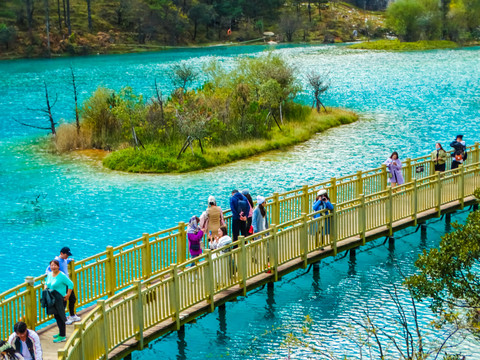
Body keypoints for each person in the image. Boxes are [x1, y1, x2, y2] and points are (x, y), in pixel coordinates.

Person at [45, 247, 81, 325]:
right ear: (61, 253)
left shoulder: (64, 260)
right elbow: (48, 269)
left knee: (72, 299)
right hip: (61, 285)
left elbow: (65, 261)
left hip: (67, 283)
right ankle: (64, 319)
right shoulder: (56, 261)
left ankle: (72, 315)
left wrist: (70, 260)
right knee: (63, 302)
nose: (67, 256)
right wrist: (49, 275)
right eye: (66, 254)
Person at [42, 259, 74, 343]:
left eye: (55, 265)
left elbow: (71, 284)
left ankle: (63, 336)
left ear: (58, 266)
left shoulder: (62, 275)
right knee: (56, 316)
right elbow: (46, 283)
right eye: (51, 265)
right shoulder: (49, 274)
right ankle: (60, 333)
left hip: (60, 299)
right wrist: (45, 290)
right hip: (52, 299)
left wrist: (68, 294)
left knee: (61, 317)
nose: (53, 267)